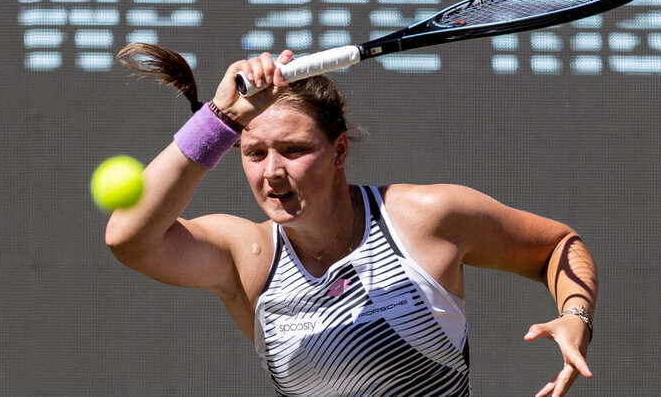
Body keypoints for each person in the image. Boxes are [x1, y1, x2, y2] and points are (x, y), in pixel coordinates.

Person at [106, 43, 598, 396]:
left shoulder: (425, 218)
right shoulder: (247, 256)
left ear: (338, 150)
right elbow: (128, 237)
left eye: (294, 150)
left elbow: (558, 245)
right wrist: (220, 119)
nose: (272, 172)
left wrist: (576, 317)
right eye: (253, 153)